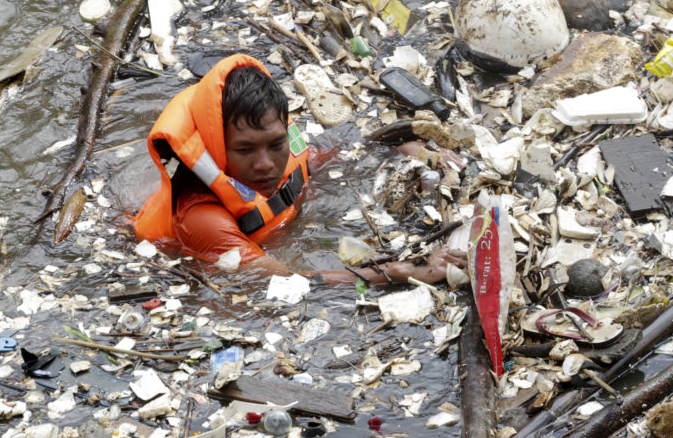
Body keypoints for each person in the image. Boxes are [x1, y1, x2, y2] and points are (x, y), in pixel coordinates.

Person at [133, 54, 465, 285]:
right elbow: (289, 283)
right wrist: (410, 270)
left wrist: (409, 148)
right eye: (244, 149)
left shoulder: (284, 147)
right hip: (176, 253)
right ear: (216, 146)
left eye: (275, 144)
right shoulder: (200, 216)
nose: (265, 164)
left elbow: (345, 147)